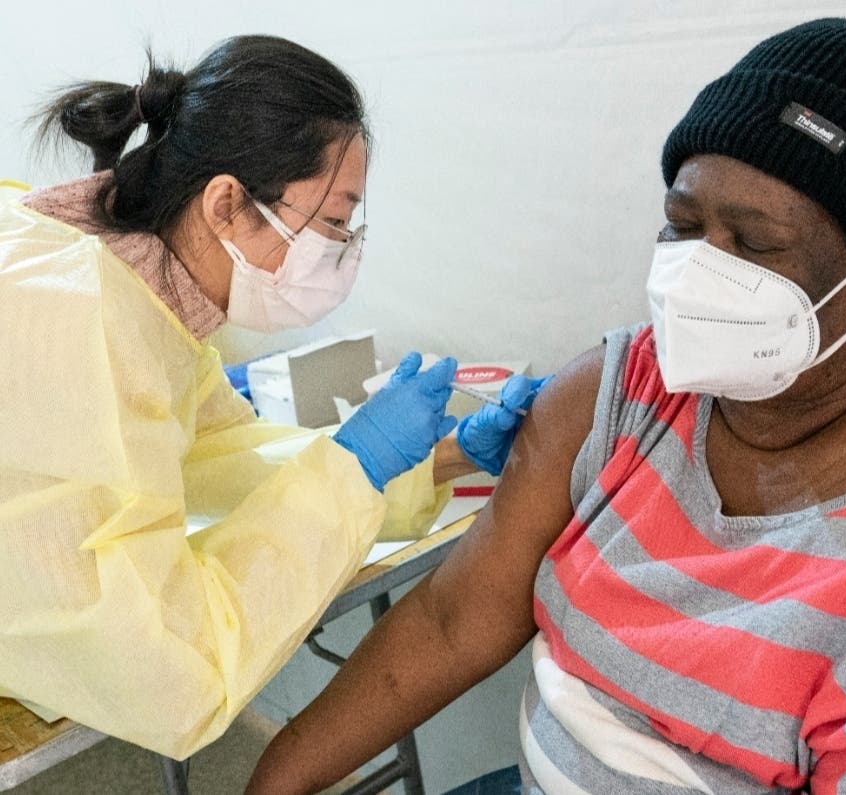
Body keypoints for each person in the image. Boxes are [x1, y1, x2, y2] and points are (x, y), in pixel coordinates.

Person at [244, 17, 846, 795]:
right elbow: (455, 620)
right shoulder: (627, 389)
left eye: (757, 243)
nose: (701, 272)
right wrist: (276, 777)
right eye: (683, 224)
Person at [0, 35, 545, 761]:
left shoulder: (140, 293)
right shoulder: (81, 324)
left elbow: (225, 459)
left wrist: (432, 459)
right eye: (332, 224)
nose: (343, 252)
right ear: (226, 203)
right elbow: (171, 673)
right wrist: (355, 465)